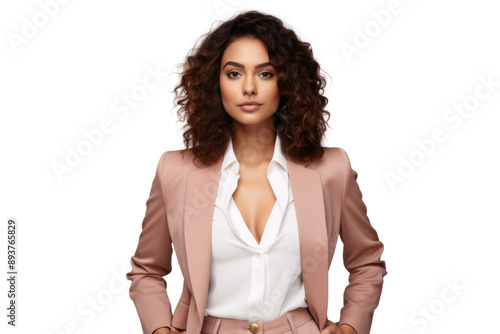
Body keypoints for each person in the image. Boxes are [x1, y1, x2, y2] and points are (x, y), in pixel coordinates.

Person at [126, 10, 387, 334]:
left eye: (265, 74)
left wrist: (350, 327)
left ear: (286, 82)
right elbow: (147, 270)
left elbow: (366, 263)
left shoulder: (331, 171)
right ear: (214, 82)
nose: (249, 88)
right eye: (234, 74)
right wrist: (160, 330)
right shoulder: (176, 172)